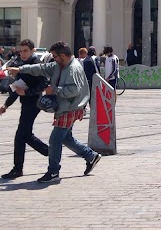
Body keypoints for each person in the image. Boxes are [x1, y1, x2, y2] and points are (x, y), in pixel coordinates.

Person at [5, 41, 101, 183]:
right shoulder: (59, 66)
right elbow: (41, 68)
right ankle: (91, 156)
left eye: (55, 56)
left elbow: (74, 90)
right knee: (66, 138)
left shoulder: (72, 69)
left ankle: (53, 171)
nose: (53, 59)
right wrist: (20, 70)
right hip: (66, 107)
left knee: (55, 139)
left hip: (70, 108)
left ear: (62, 55)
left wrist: (54, 90)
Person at [0, 39, 49, 180]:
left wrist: (27, 93)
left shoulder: (36, 64)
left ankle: (18, 169)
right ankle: (51, 153)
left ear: (33, 50)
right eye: (20, 51)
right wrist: (6, 105)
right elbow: (17, 87)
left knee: (21, 136)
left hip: (34, 103)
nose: (22, 54)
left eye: (25, 51)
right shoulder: (21, 64)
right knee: (25, 135)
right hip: (26, 103)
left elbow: (43, 85)